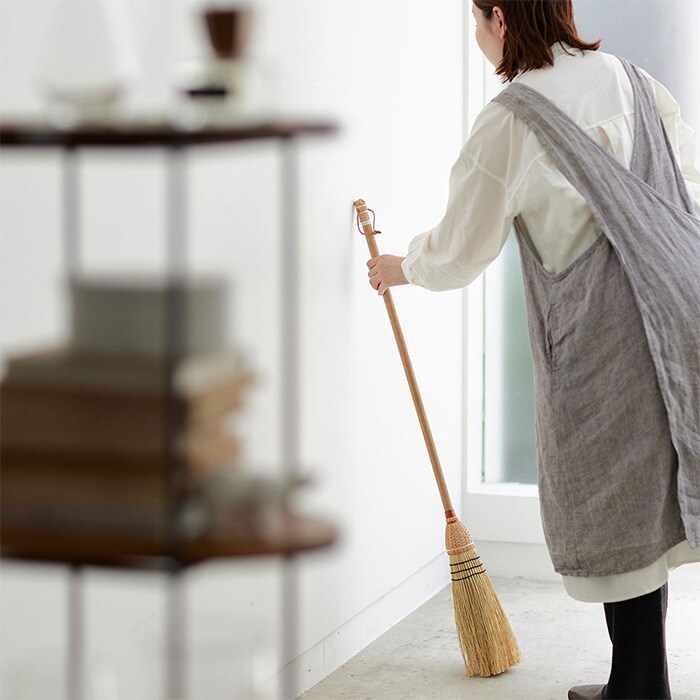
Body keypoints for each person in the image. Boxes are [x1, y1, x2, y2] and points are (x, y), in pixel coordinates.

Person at [366, 1, 700, 698]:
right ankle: (638, 677)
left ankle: (640, 686)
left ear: (499, 17)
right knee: (655, 495)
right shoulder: (633, 80)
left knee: (616, 502)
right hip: (681, 305)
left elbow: (462, 248)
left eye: (476, 22)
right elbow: (687, 184)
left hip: (602, 330)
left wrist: (402, 266)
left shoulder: (513, 118)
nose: (478, 38)